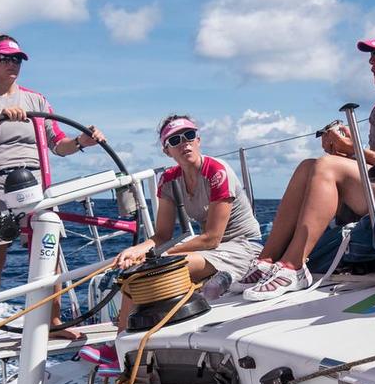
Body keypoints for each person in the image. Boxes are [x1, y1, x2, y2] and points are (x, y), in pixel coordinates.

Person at [235, 26, 375, 302]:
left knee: (327, 166)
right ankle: (268, 259)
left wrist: (352, 149)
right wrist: (345, 151)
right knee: (310, 166)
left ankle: (295, 266)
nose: (370, 62)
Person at [78, 115, 262, 368]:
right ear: (167, 151)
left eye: (189, 136)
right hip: (212, 249)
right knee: (134, 274)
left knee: (160, 271)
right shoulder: (168, 180)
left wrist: (157, 257)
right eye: (175, 140)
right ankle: (121, 346)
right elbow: (161, 236)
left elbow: (211, 238)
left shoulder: (217, 172)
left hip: (243, 247)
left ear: (198, 139)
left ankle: (126, 350)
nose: (184, 143)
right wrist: (137, 250)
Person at [0, 34, 105, 346]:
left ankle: (52, 321)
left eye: (16, 59)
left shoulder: (37, 100)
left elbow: (58, 144)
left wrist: (82, 142)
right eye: (3, 58)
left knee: (48, 251)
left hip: (33, 183)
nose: (11, 64)